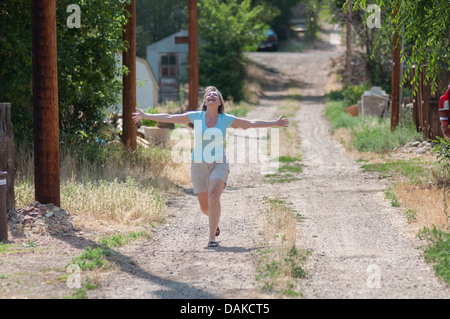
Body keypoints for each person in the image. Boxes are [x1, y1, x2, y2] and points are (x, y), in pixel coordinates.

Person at [132, 86, 289, 247]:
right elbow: (170, 116)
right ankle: (215, 222)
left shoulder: (225, 119)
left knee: (214, 196)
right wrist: (145, 115)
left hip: (219, 163)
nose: (212, 95)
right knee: (204, 206)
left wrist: (275, 123)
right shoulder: (196, 117)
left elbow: (250, 123)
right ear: (205, 102)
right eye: (208, 95)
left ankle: (211, 238)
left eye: (215, 94)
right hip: (198, 165)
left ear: (220, 102)